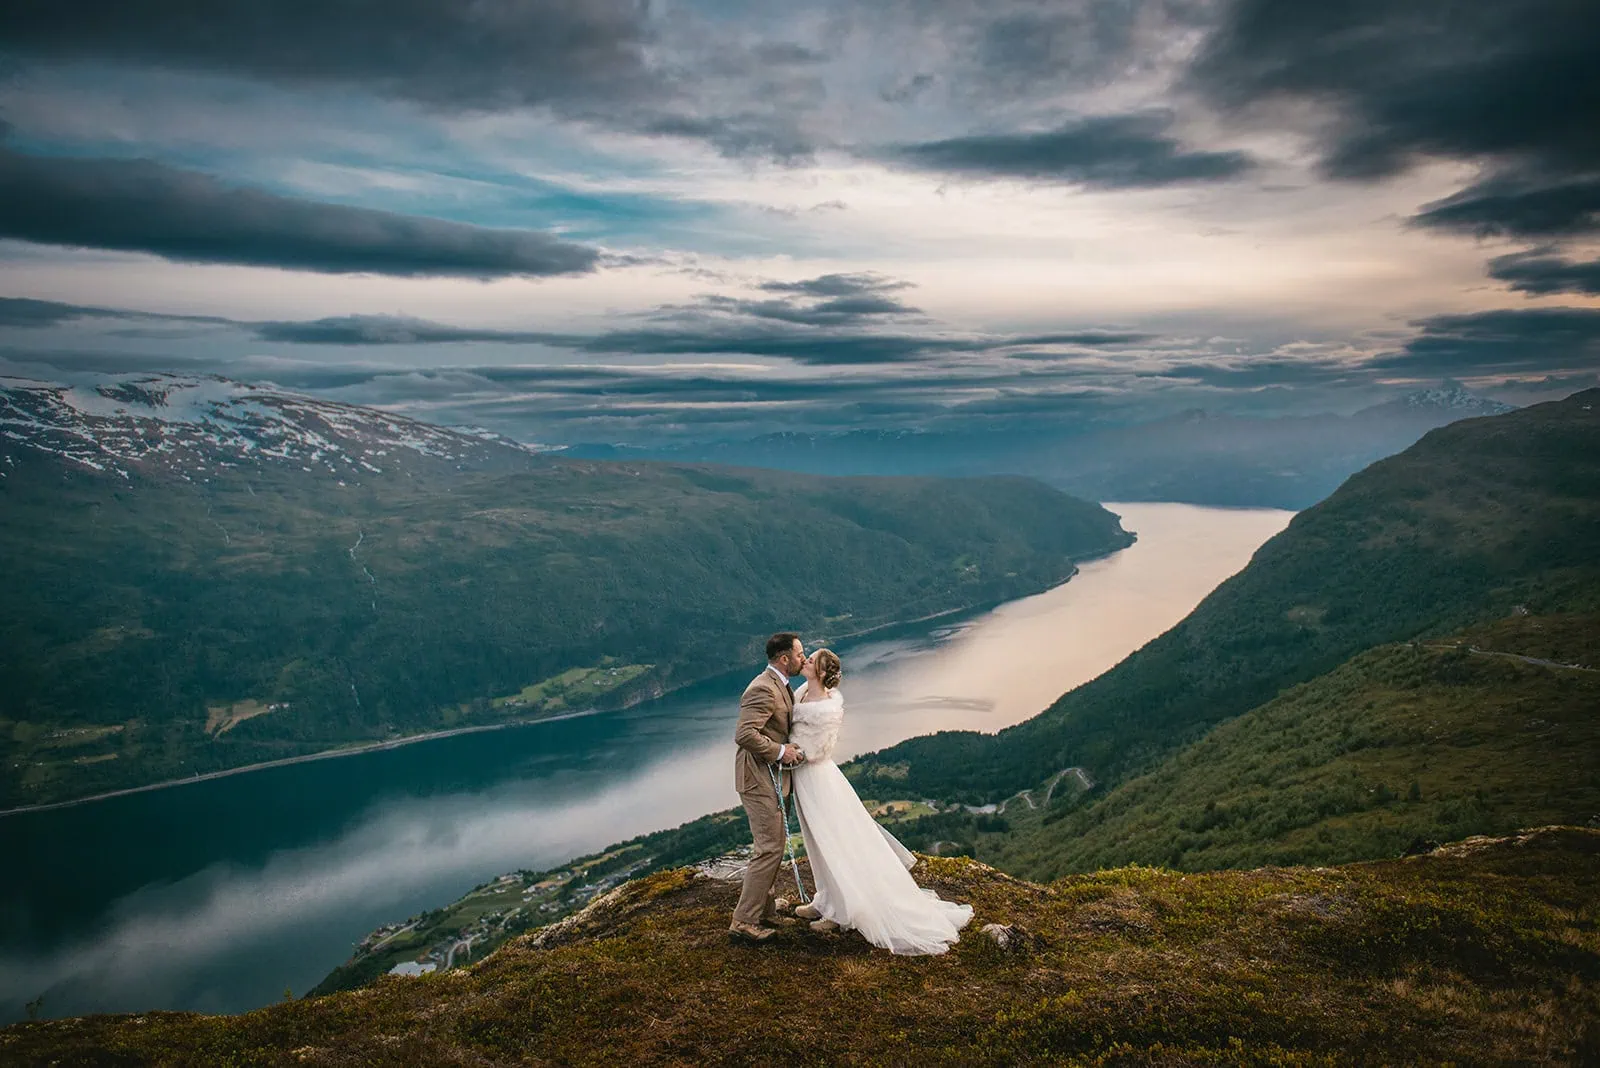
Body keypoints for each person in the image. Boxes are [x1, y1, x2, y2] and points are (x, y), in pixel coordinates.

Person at [787, 648, 973, 954]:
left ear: (820, 672)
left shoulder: (827, 708)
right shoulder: (804, 692)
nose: (805, 661)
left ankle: (841, 912)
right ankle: (826, 899)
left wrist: (792, 754)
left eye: (811, 661)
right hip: (806, 780)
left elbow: (820, 751)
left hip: (818, 780)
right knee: (816, 842)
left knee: (833, 841)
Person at [728, 631, 808, 942]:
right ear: (785, 658)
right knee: (769, 848)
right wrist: (781, 751)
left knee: (773, 846)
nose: (804, 658)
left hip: (773, 777)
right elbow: (745, 734)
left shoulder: (781, 685)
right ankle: (744, 921)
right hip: (758, 779)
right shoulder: (763, 688)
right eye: (800, 654)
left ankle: (766, 910)